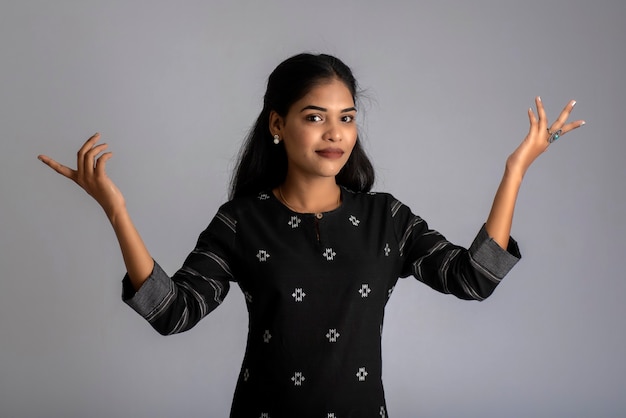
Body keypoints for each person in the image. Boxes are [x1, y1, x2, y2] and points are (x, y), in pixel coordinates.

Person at [38, 53, 584, 417]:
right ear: (277, 124)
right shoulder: (241, 221)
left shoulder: (386, 219)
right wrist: (116, 210)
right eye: (315, 117)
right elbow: (171, 313)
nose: (335, 133)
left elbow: (473, 279)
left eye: (346, 118)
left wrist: (515, 170)